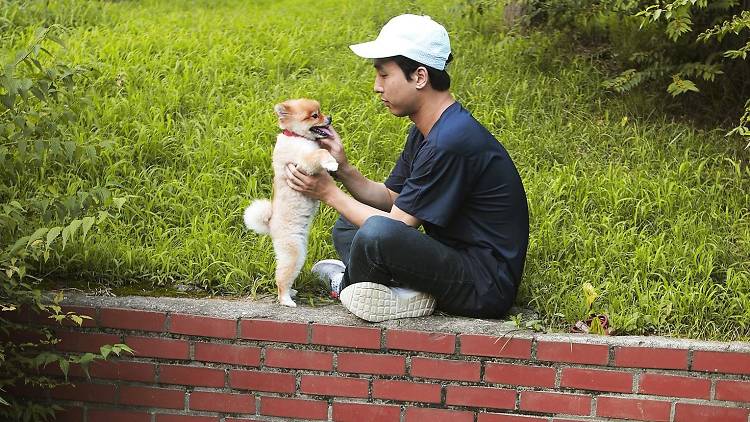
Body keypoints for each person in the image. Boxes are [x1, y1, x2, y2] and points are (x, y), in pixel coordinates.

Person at [285, 14, 529, 322]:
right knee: (351, 225)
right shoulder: (429, 130)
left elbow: (395, 227)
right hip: (452, 255)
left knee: (374, 233)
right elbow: (391, 197)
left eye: (384, 75)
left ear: (420, 77)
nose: (376, 87)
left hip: (483, 286)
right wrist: (343, 168)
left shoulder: (450, 141)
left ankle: (346, 285)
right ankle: (399, 288)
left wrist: (328, 193)